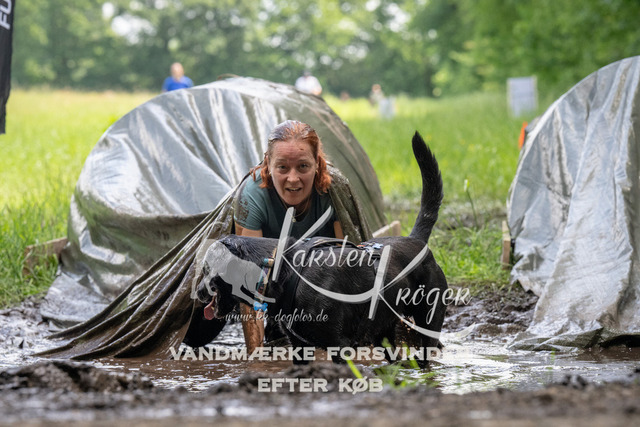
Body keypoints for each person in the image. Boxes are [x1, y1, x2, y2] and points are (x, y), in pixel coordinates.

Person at [232, 120, 343, 350]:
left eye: (303, 166)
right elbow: (251, 288)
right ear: (268, 165)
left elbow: (348, 273)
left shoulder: (335, 191)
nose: (293, 179)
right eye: (282, 168)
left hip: (323, 282)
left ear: (317, 164)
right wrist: (256, 357)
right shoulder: (252, 195)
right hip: (277, 288)